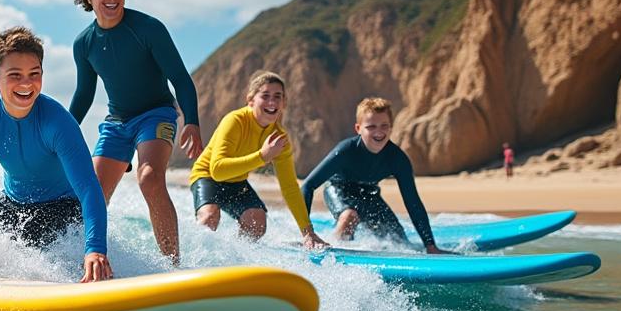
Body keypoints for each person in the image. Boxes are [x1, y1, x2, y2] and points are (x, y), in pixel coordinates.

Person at [68, 0, 201, 265]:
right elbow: (84, 94)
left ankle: (172, 265)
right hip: (117, 122)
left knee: (149, 177)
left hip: (156, 114)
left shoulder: (148, 28)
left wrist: (192, 121)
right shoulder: (84, 43)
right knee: (92, 194)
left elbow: (180, 78)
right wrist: (61, 134)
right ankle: (85, 259)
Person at [0, 27, 113, 283]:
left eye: (34, 74)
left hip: (63, 206)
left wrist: (95, 249)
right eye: (15, 75)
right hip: (13, 203)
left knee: (21, 242)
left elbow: (88, 188)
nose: (27, 84)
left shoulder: (58, 122)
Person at [190, 72, 327, 249]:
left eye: (278, 97)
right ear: (251, 100)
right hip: (207, 176)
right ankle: (192, 258)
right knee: (209, 218)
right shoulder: (235, 121)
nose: (272, 102)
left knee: (257, 223)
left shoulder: (279, 139)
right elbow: (217, 170)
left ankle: (233, 257)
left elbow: (290, 188)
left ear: (284, 103)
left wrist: (308, 233)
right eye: (265, 96)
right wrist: (262, 156)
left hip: (237, 181)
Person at [300, 97, 449, 253]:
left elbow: (413, 202)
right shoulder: (345, 151)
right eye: (371, 126)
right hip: (339, 190)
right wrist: (307, 233)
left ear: (391, 128)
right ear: (358, 128)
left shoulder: (398, 159)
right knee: (349, 216)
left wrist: (430, 245)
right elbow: (308, 186)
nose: (378, 132)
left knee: (399, 242)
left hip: (370, 195)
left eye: (384, 126)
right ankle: (332, 252)